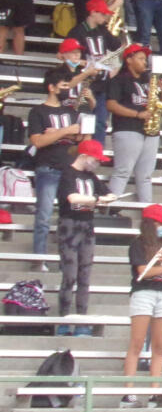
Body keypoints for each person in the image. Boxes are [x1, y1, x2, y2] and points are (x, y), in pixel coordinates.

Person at [119, 204, 162, 407]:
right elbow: (142, 272)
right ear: (150, 224)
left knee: (159, 345)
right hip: (143, 293)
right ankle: (128, 391)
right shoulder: (137, 244)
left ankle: (154, 390)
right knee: (137, 343)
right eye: (161, 223)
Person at [55, 139, 117, 335]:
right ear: (84, 156)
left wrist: (106, 199)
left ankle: (82, 320)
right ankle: (64, 319)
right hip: (69, 225)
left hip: (87, 226)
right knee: (70, 275)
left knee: (84, 276)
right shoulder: (68, 173)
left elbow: (108, 194)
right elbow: (71, 198)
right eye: (95, 159)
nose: (97, 164)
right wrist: (97, 200)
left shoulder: (92, 178)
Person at [27, 67, 82, 270]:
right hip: (48, 169)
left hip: (70, 170)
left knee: (70, 218)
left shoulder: (72, 112)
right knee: (44, 216)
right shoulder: (37, 112)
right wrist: (65, 132)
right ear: (52, 87)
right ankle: (39, 259)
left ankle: (66, 260)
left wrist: (56, 134)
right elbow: (38, 141)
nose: (68, 89)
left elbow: (82, 137)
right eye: (64, 85)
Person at [106, 44, 162, 205]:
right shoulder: (119, 80)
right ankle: (110, 207)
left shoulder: (149, 80)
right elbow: (111, 105)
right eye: (140, 58)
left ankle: (147, 211)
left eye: (145, 59)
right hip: (128, 129)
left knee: (145, 175)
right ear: (129, 60)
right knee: (123, 171)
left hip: (151, 131)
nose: (144, 62)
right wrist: (137, 114)